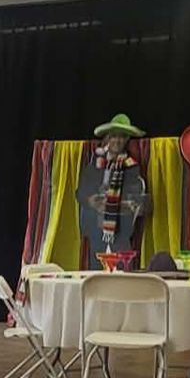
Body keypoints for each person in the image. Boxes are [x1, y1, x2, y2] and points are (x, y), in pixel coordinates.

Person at [77, 113, 148, 268]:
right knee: (96, 272)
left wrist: (119, 204)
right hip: (96, 229)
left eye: (122, 137)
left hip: (120, 230)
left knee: (122, 273)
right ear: (108, 138)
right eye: (114, 136)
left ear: (127, 140)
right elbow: (80, 193)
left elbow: (136, 199)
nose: (117, 140)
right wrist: (91, 201)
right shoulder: (95, 164)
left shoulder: (131, 166)